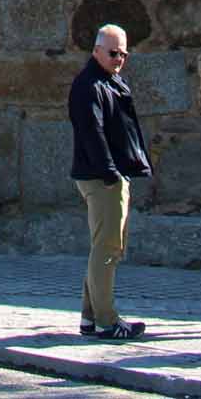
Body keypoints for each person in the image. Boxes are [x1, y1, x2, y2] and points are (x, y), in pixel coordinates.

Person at [67, 23, 151, 341]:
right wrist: (111, 173)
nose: (119, 59)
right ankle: (106, 320)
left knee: (104, 246)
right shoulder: (89, 84)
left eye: (124, 53)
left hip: (106, 175)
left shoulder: (106, 81)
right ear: (97, 51)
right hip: (102, 178)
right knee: (107, 249)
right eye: (113, 53)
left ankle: (90, 318)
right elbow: (93, 132)